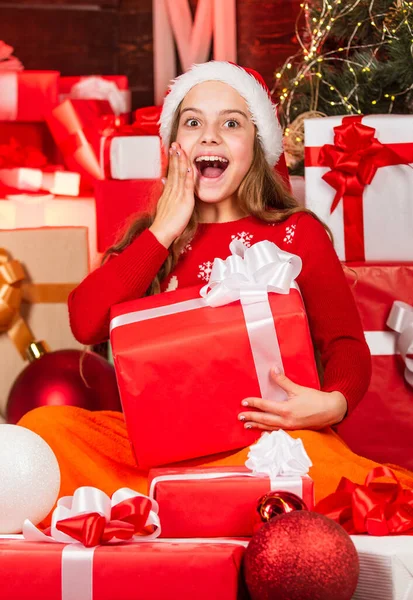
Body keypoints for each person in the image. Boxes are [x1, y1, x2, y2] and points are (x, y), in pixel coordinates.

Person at [19, 61, 413, 518]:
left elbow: (345, 344)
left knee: (327, 468)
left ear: (255, 145)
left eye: (231, 122)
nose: (210, 136)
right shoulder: (152, 239)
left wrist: (332, 403)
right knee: (45, 428)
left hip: (263, 447)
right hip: (157, 453)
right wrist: (164, 229)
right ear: (174, 147)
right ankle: (192, 501)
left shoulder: (295, 233)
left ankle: (187, 507)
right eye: (193, 122)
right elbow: (85, 322)